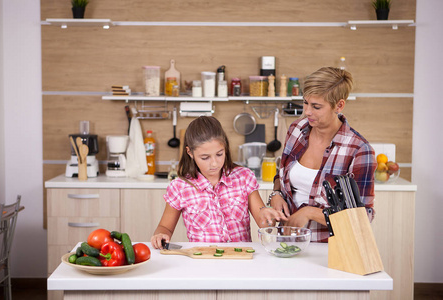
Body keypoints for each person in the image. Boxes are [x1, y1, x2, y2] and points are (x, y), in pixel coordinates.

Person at [268, 67, 376, 242]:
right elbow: (281, 175)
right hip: (287, 243)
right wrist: (276, 194)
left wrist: (310, 213)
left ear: (339, 105)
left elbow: (363, 216)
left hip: (331, 250)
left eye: (316, 106)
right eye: (305, 103)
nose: (307, 112)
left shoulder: (358, 150)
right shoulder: (296, 130)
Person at [151, 116, 287, 249]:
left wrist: (268, 217)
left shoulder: (243, 177)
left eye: (219, 154)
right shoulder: (180, 187)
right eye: (205, 157)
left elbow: (265, 223)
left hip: (240, 260)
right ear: (190, 152)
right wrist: (160, 235)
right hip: (203, 263)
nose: (214, 163)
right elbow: (165, 227)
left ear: (225, 148)